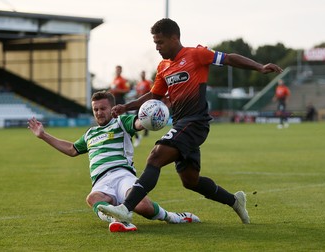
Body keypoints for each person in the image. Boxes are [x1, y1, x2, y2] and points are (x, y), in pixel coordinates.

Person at [98, 18, 283, 225]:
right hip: (180, 124)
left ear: (174, 38)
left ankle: (125, 208)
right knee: (190, 180)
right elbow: (154, 96)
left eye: (160, 42)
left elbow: (229, 58)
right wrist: (126, 106)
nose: (157, 47)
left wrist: (259, 67)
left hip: (196, 122)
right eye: (155, 43)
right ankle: (234, 200)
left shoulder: (197, 54)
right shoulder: (163, 67)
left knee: (155, 157)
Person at [27, 91, 200, 232]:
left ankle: (173, 217)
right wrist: (43, 135)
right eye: (95, 109)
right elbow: (72, 149)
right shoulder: (90, 134)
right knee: (93, 198)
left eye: (103, 108)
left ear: (112, 108)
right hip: (101, 181)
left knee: (143, 206)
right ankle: (121, 221)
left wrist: (151, 116)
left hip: (123, 175)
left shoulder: (121, 123)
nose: (99, 112)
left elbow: (139, 123)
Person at [135, 70, 153, 139]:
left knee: (146, 115)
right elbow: (137, 92)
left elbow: (151, 91)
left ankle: (146, 131)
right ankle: (138, 128)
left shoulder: (148, 82)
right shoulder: (139, 83)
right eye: (142, 74)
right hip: (139, 102)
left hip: (146, 102)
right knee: (138, 115)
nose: (142, 75)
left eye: (144, 74)